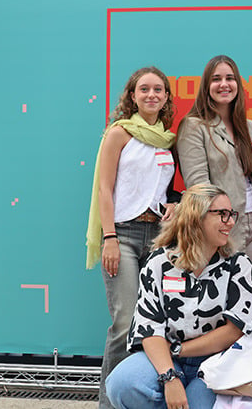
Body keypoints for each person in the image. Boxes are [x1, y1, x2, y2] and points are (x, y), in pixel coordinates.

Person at [105, 184, 252, 409]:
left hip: (216, 362)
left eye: (232, 215)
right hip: (169, 360)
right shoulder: (159, 264)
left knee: (196, 404)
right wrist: (169, 377)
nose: (230, 222)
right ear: (196, 217)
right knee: (122, 384)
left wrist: (180, 350)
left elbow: (234, 329)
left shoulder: (238, 266)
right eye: (222, 214)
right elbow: (149, 328)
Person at [84, 66, 179, 408]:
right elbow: (104, 189)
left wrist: (170, 207)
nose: (151, 94)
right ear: (132, 95)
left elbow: (163, 189)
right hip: (121, 236)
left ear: (167, 96)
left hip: (158, 237)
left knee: (153, 322)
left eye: (158, 89)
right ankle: (109, 403)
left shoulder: (168, 138)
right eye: (144, 89)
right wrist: (109, 237)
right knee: (125, 323)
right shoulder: (119, 134)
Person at [177, 55, 252, 270]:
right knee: (225, 293)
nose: (224, 84)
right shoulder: (194, 126)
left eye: (230, 78)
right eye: (216, 79)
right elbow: (199, 187)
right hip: (223, 225)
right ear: (206, 86)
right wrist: (219, 223)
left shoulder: (248, 127)